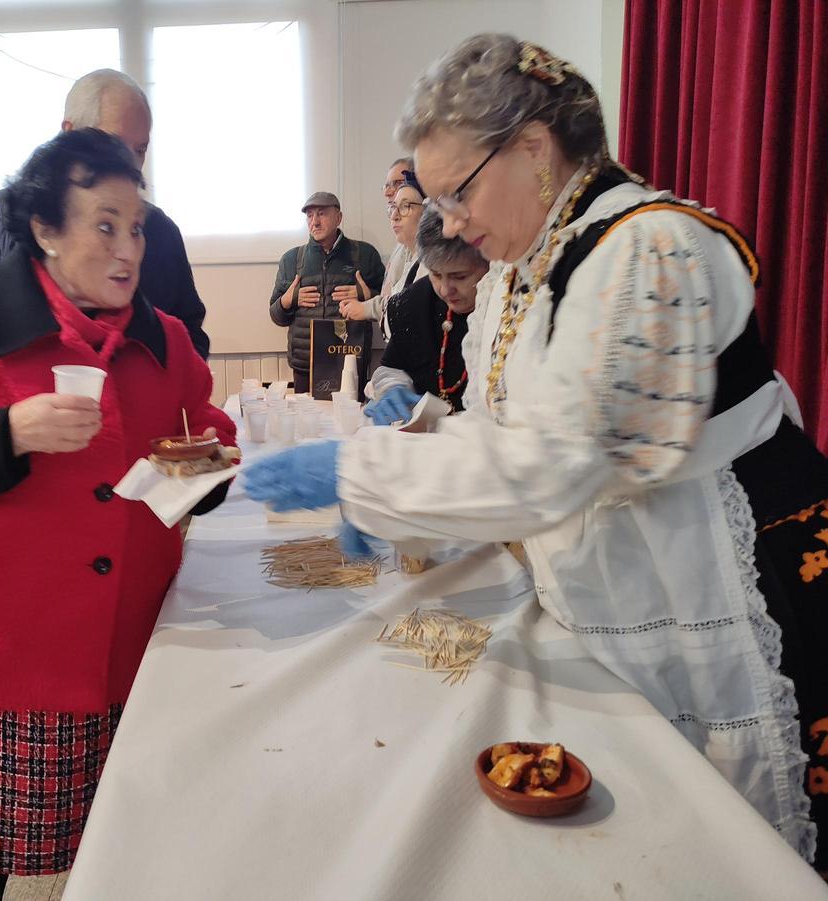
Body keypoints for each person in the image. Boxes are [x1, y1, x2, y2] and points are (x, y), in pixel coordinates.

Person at [245, 34, 828, 870]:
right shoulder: (527, 265)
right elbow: (507, 430)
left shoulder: (646, 251)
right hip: (625, 564)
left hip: (727, 565)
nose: (449, 222)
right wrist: (430, 427)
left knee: (733, 839)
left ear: (532, 148)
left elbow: (552, 465)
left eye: (457, 192)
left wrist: (358, 474)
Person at [0, 128, 236, 899]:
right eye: (105, 224)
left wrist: (187, 466)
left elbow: (209, 430)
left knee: (118, 831)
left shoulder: (162, 338)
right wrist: (6, 432)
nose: (129, 248)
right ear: (46, 230)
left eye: (137, 227)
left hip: (120, 640)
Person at [0, 69, 211, 359]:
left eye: (140, 149)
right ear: (69, 133)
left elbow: (189, 338)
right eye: (113, 143)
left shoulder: (160, 230)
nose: (130, 164)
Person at [365, 212, 489, 422]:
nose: (445, 289)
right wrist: (393, 387)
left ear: (489, 265)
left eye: (460, 277)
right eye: (436, 275)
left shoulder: (504, 305)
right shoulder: (417, 300)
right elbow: (391, 366)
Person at [268, 192, 385, 395]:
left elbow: (388, 307)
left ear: (338, 218)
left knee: (351, 415)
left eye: (321, 214)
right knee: (306, 416)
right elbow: (276, 316)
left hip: (350, 362)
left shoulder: (365, 255)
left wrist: (366, 296)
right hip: (305, 365)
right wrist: (288, 300)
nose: (314, 222)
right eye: (310, 216)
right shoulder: (291, 259)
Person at [341, 158, 420, 330]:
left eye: (397, 183)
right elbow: (393, 294)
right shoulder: (402, 243)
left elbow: (409, 302)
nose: (388, 192)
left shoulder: (426, 249)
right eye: (387, 185)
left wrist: (367, 305)